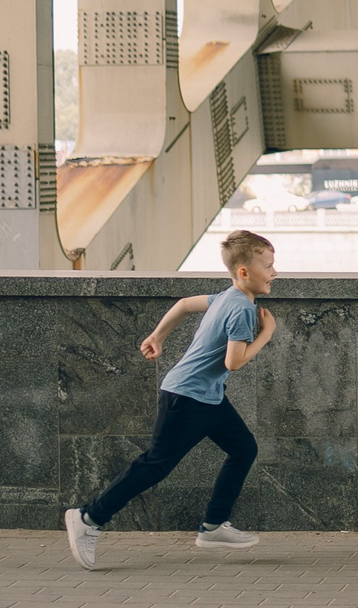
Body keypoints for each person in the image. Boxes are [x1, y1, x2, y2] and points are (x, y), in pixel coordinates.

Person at [64, 230, 282, 570]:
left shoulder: (227, 297)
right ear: (243, 272)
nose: (274, 273)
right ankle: (89, 517)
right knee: (156, 464)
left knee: (244, 448)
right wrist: (266, 335)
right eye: (268, 266)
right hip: (188, 397)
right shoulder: (241, 309)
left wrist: (157, 336)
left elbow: (182, 305)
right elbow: (233, 362)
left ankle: (213, 526)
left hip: (207, 398)